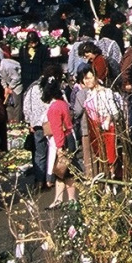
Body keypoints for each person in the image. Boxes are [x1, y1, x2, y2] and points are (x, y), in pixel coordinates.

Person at [78, 66, 123, 180]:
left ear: (96, 77)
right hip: (94, 128)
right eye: (85, 79)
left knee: (109, 155)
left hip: (106, 128)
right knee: (99, 155)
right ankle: (105, 179)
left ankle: (112, 178)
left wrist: (107, 120)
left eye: (89, 78)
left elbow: (115, 112)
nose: (87, 81)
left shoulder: (106, 92)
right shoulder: (89, 93)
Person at [44, 78, 78, 208]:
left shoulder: (54, 108)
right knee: (61, 171)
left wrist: (59, 147)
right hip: (70, 137)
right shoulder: (63, 103)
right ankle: (60, 199)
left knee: (65, 170)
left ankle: (70, 199)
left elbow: (57, 129)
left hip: (62, 141)